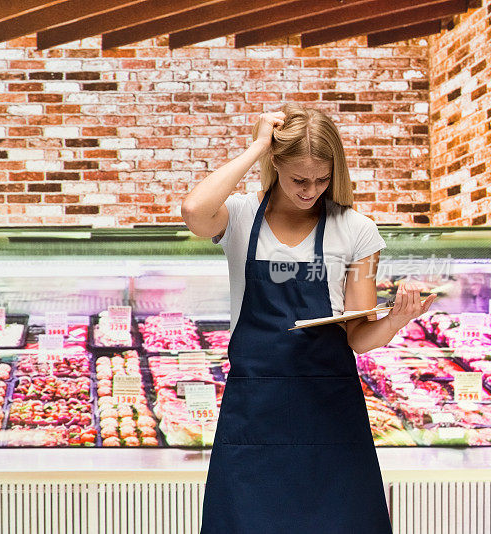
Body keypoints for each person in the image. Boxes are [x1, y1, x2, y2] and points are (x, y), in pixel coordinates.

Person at [182, 103, 436, 533]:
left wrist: (396, 319)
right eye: (299, 179)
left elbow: (358, 337)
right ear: (276, 165)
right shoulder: (242, 217)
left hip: (330, 415)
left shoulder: (357, 230)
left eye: (321, 180)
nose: (310, 190)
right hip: (254, 413)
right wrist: (258, 145)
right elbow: (193, 210)